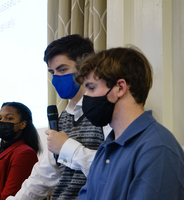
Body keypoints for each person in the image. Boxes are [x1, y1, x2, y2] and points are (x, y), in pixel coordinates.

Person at [7, 34, 110, 200]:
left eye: (62, 70)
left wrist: (68, 148)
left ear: (86, 68)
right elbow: (44, 174)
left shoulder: (106, 112)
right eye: (52, 72)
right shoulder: (62, 119)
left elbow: (113, 169)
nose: (56, 78)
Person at [74, 47, 184, 199]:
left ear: (120, 88)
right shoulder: (107, 147)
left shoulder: (157, 148)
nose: (87, 97)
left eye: (92, 88)